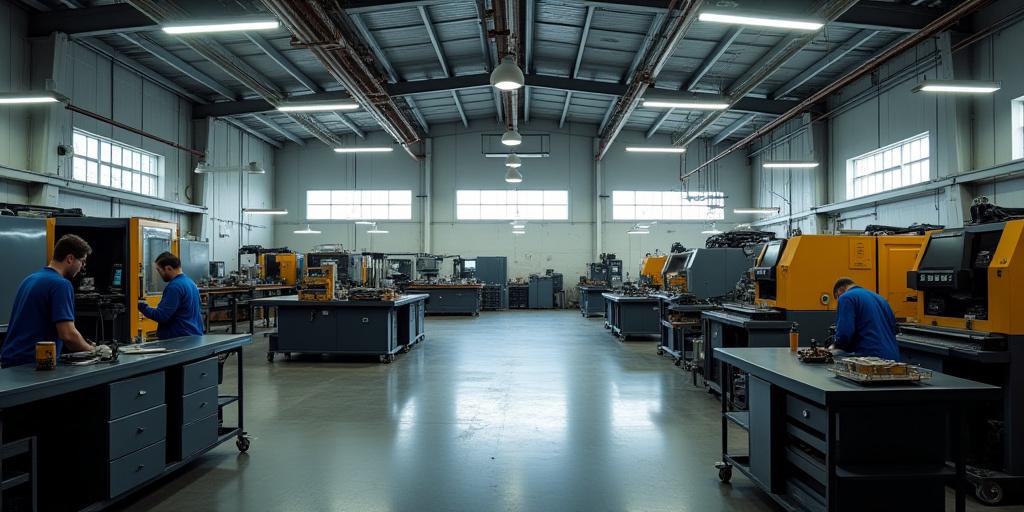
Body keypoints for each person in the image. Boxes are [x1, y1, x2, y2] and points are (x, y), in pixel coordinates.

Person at [1, 234, 96, 367]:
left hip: (10, 362)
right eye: (82, 261)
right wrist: (93, 351)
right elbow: (67, 335)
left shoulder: (30, 279)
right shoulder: (61, 285)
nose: (82, 267)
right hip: (32, 365)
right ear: (70, 259)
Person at [830, 277, 901, 361]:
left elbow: (844, 333)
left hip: (870, 358)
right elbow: (894, 328)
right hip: (892, 357)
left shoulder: (846, 297)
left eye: (837, 297)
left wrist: (835, 346)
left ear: (840, 290)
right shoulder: (881, 299)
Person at [138, 252, 204, 339]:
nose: (159, 274)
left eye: (159, 270)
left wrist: (140, 305)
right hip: (193, 337)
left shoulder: (175, 287)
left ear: (168, 268)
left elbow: (161, 315)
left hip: (179, 341)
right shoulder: (190, 283)